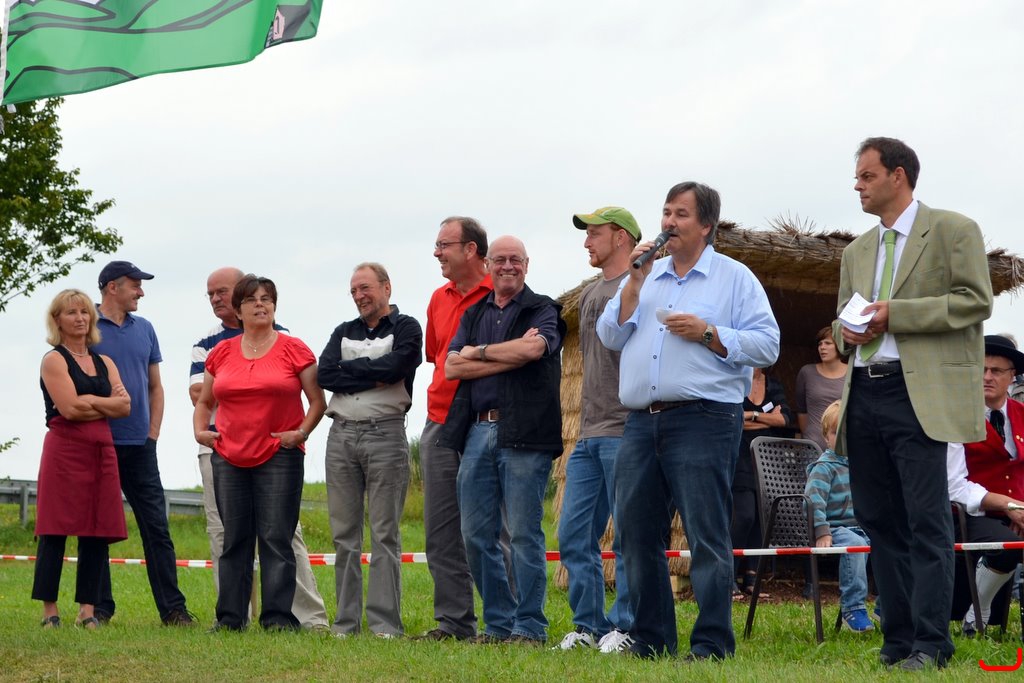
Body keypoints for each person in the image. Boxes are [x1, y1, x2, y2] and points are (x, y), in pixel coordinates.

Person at [596, 181, 780, 659]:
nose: (669, 222)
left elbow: (768, 345)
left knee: (706, 533)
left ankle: (712, 643)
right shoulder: (646, 276)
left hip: (705, 419)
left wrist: (709, 333)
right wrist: (633, 284)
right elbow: (609, 336)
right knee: (635, 534)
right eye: (665, 212)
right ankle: (652, 638)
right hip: (641, 422)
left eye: (681, 214)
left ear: (706, 226)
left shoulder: (734, 278)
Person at [835, 137, 993, 670]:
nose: (857, 186)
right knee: (878, 520)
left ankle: (932, 643)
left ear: (897, 175)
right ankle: (898, 640)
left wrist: (894, 314)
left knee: (926, 519)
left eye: (866, 176)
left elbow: (975, 300)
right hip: (863, 390)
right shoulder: (855, 251)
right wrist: (845, 333)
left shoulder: (954, 229)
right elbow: (841, 320)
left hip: (917, 392)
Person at [440, 235, 566, 645]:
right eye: (500, 260)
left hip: (525, 433)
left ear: (527, 265)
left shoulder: (543, 309)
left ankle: (529, 626)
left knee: (525, 534)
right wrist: (504, 355)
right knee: (476, 534)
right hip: (477, 430)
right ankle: (497, 624)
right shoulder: (474, 312)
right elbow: (451, 368)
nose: (507, 266)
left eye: (515, 260)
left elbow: (533, 352)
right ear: (488, 265)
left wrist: (477, 353)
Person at [189, 266, 329, 629]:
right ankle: (230, 620)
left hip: (279, 454)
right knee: (234, 540)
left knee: (276, 537)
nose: (260, 305)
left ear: (275, 306)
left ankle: (278, 619)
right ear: (238, 310)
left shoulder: (294, 348)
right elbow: (205, 401)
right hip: (228, 455)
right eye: (251, 300)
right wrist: (200, 431)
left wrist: (301, 433)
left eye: (267, 299)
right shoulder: (220, 352)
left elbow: (317, 401)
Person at [317, 263, 422, 639]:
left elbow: (398, 367)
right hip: (341, 435)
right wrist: (373, 373)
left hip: (385, 434)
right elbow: (325, 374)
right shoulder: (342, 331)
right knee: (344, 535)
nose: (359, 296)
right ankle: (345, 623)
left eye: (365, 288)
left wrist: (352, 371)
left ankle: (384, 624)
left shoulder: (407, 327)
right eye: (353, 291)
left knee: (384, 533)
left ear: (386, 288)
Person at [554, 207, 639, 653]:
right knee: (573, 535)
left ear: (621, 237)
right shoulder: (589, 294)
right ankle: (588, 627)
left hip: (626, 429)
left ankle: (626, 628)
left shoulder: (642, 286)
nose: (586, 242)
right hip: (587, 435)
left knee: (627, 536)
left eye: (594, 233)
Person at [92, 261, 194, 625]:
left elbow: (155, 386)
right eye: (135, 285)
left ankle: (173, 610)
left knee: (157, 528)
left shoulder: (146, 328)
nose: (141, 291)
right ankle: (99, 609)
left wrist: (153, 433)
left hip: (140, 445)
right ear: (112, 287)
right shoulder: (85, 326)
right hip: (98, 443)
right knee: (97, 529)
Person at [32, 289, 130, 629]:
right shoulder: (54, 360)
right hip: (64, 450)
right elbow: (70, 410)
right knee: (54, 529)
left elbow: (125, 406)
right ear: (57, 320)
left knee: (96, 530)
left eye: (85, 312)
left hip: (101, 451)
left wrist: (88, 400)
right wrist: (104, 403)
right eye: (71, 312)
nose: (80, 318)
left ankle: (87, 610)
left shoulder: (106, 362)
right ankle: (49, 611)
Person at [418, 217, 492, 641]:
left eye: (444, 245)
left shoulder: (500, 294)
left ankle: (507, 622)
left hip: (485, 421)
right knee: (440, 530)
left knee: (492, 527)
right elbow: (439, 357)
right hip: (440, 420)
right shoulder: (437, 298)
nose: (436, 253)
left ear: (470, 249)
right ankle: (454, 622)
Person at [946, 335, 1024, 635]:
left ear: (1012, 376)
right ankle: (976, 614)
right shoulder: (957, 416)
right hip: (967, 514)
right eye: (982, 369)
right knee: (1007, 545)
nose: (987, 377)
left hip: (1016, 509)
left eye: (996, 371)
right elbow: (955, 485)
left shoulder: (1021, 414)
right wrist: (1008, 505)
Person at [804, 400, 874, 632]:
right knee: (855, 544)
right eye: (836, 433)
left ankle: (888, 607)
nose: (843, 439)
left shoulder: (863, 466)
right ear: (826, 437)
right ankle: (853, 608)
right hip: (834, 528)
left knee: (892, 544)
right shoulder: (824, 468)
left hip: (861, 527)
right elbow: (812, 502)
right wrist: (821, 531)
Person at [731, 366, 792, 596]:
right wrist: (767, 420)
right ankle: (729, 575)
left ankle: (752, 579)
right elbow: (733, 419)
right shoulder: (735, 382)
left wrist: (751, 416)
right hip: (739, 457)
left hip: (767, 459)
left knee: (761, 517)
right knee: (744, 516)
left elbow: (785, 419)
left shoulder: (773, 385)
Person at [795, 326, 847, 451]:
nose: (822, 347)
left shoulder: (852, 372)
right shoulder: (807, 372)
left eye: (828, 343)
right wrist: (810, 438)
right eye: (820, 344)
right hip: (812, 447)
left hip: (843, 446)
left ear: (839, 345)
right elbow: (802, 411)